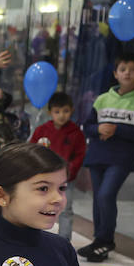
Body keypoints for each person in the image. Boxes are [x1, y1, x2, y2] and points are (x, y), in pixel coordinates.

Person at [78, 53, 134, 262]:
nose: (127, 73)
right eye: (122, 69)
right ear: (115, 73)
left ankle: (105, 240)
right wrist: (99, 128)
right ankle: (98, 241)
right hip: (97, 155)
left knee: (106, 195)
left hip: (122, 157)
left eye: (132, 69)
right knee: (98, 199)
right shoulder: (102, 99)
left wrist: (116, 129)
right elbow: (86, 126)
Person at [28, 92, 85, 242]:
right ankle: (35, 237)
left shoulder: (76, 133)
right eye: (57, 112)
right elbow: (31, 151)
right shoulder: (42, 131)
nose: (61, 115)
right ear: (50, 112)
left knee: (65, 209)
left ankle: (64, 241)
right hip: (43, 179)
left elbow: (80, 155)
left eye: (65, 111)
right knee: (39, 206)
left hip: (65, 180)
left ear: (71, 111)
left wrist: (69, 172)